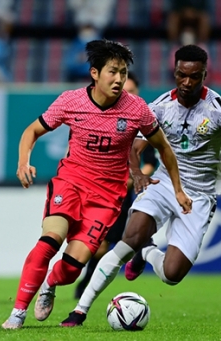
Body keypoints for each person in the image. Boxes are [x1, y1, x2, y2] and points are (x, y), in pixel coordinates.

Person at [60, 44, 221, 327]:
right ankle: (79, 311)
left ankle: (147, 252)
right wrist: (138, 173)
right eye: (181, 75)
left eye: (194, 77)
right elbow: (132, 145)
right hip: (165, 182)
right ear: (175, 72)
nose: (186, 83)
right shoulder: (159, 107)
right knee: (129, 238)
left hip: (201, 195)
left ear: (205, 75)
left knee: (171, 274)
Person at [1, 39, 193, 329]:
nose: (119, 79)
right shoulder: (70, 101)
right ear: (94, 73)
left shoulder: (136, 109)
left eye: (123, 73)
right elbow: (33, 130)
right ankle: (17, 313)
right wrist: (22, 162)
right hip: (71, 183)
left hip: (106, 198)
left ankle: (51, 283)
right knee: (48, 243)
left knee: (70, 269)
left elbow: (164, 148)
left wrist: (178, 188)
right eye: (113, 72)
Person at [73, 72, 158, 299]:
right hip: (99, 190)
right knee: (98, 244)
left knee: (114, 243)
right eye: (126, 91)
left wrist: (136, 177)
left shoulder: (142, 125)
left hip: (123, 195)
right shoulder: (106, 120)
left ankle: (87, 287)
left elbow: (151, 162)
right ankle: (83, 283)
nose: (129, 96)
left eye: (133, 92)